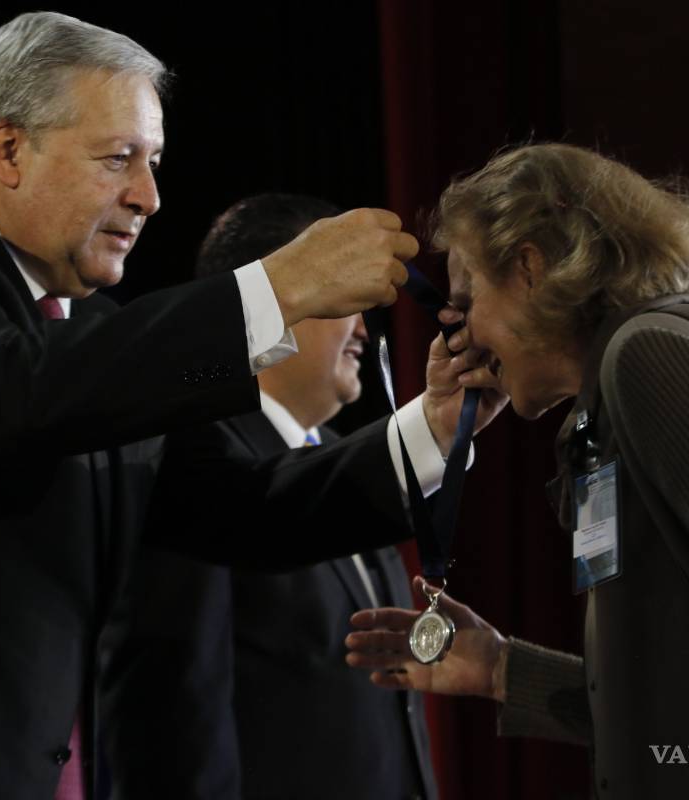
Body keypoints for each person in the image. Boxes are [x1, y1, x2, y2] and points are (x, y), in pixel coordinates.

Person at [0, 12, 501, 800]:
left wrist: (436, 425)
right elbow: (6, 394)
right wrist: (277, 288)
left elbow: (250, 508)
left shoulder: (95, 336)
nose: (150, 196)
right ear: (9, 149)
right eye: (118, 158)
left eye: (154, 161)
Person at [346, 142, 689, 799]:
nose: (459, 337)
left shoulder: (650, 357)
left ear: (528, 267)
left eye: (467, 301)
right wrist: (501, 669)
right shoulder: (619, 392)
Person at [100, 194, 438, 800]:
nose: (365, 326)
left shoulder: (353, 468)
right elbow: (178, 707)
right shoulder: (194, 463)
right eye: (346, 299)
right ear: (280, 299)